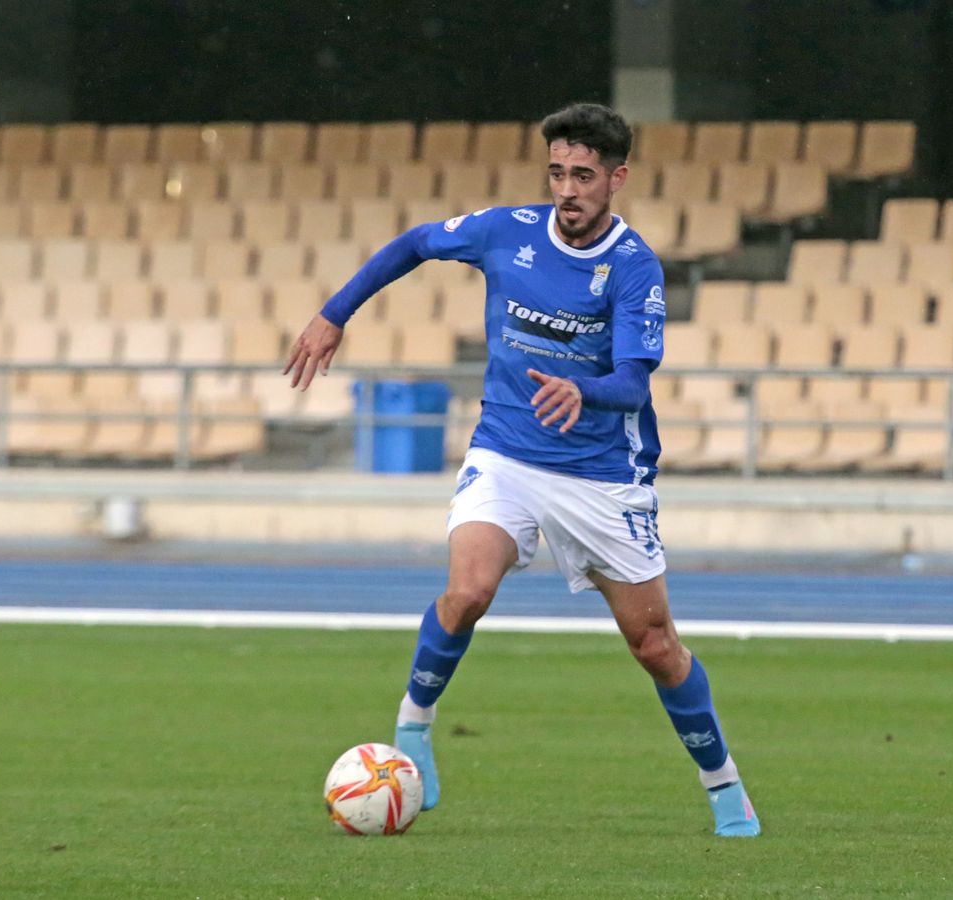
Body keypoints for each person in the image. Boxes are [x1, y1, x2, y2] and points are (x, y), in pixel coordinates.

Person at [283, 103, 759, 838]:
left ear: (617, 179)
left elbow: (632, 384)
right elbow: (414, 244)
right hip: (506, 451)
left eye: (584, 176)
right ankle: (413, 730)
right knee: (468, 591)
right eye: (558, 173)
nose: (568, 189)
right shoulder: (506, 231)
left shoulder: (633, 268)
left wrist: (584, 389)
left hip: (602, 473)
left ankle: (725, 785)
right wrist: (333, 312)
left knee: (654, 645)